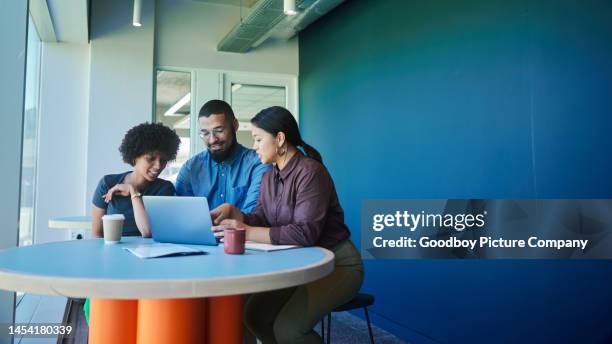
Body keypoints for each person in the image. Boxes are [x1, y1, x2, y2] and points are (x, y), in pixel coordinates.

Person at [211, 106, 364, 343]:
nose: (255, 146)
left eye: (259, 139)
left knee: (288, 329)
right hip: (299, 263)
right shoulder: (269, 176)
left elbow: (305, 233)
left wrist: (248, 232)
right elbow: (262, 218)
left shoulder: (311, 173)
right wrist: (237, 214)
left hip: (337, 264)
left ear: (280, 138)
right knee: (254, 317)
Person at [175, 99, 269, 212]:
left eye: (219, 130)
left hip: (243, 230)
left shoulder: (258, 163)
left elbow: (254, 214)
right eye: (205, 133)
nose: (212, 140)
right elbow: (181, 213)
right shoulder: (190, 168)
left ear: (235, 126)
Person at [91, 122, 180, 238]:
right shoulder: (108, 183)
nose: (158, 166)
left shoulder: (164, 189)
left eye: (163, 160)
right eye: (150, 159)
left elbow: (147, 231)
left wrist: (133, 192)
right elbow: (96, 234)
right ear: (134, 157)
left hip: (150, 253)